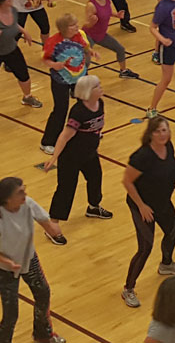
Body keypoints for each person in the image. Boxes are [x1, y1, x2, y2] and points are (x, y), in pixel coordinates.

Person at [118, 114, 175, 309]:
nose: (162, 134)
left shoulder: (168, 147)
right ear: (150, 134)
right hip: (142, 205)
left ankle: (166, 264)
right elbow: (127, 181)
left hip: (162, 202)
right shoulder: (142, 156)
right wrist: (142, 206)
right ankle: (128, 288)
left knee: (173, 231)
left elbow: (173, 169)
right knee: (145, 248)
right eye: (158, 130)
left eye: (165, 130)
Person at [0, 176, 67, 343]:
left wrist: (52, 229)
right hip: (7, 270)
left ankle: (43, 335)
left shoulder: (28, 204)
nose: (25, 193)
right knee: (11, 315)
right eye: (20, 192)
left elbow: (44, 221)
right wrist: (6, 261)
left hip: (30, 260)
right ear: (8, 199)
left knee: (43, 294)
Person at [45, 74, 113, 236]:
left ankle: (93, 207)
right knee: (66, 189)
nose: (101, 87)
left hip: (89, 153)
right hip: (71, 157)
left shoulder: (100, 103)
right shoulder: (78, 111)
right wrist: (54, 157)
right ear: (88, 91)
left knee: (96, 177)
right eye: (97, 86)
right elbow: (65, 135)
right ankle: (53, 224)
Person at [40, 14, 95, 154]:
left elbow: (85, 47)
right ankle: (48, 142)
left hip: (80, 76)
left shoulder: (80, 35)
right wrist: (54, 64)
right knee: (60, 109)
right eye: (73, 25)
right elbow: (45, 59)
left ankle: (87, 132)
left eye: (76, 24)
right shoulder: (53, 42)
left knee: (86, 103)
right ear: (64, 28)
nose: (76, 27)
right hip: (61, 79)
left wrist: (91, 52)